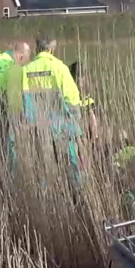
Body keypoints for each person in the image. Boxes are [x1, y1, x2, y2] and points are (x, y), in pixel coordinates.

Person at [10, 36, 90, 179]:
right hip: (62, 128)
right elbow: (72, 99)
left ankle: (44, 196)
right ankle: (78, 194)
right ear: (51, 49)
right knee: (72, 166)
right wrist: (76, 125)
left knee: (43, 169)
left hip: (38, 129)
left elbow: (17, 102)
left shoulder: (25, 71)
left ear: (37, 49)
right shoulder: (60, 68)